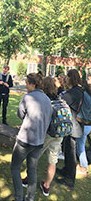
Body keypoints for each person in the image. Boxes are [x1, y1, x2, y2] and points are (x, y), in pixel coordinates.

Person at [11, 73, 52, 201]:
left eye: (27, 83)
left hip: (25, 140)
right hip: (39, 141)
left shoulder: (27, 97)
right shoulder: (47, 99)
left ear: (33, 84)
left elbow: (20, 114)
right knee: (32, 169)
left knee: (15, 167)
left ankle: (19, 197)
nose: (26, 85)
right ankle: (30, 198)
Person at [21, 76, 64, 197]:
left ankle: (28, 179)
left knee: (34, 157)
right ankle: (46, 186)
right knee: (53, 160)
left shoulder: (44, 100)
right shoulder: (59, 99)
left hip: (47, 133)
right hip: (59, 133)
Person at [56, 69, 84, 190]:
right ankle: (66, 171)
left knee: (71, 153)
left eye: (67, 76)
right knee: (67, 150)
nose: (65, 78)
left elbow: (61, 100)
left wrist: (58, 87)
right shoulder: (76, 90)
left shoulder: (76, 91)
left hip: (74, 127)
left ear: (71, 78)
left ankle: (70, 180)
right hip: (70, 125)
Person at [76, 77, 91, 176]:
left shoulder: (84, 94)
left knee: (80, 146)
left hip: (82, 123)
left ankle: (84, 166)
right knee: (80, 143)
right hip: (89, 125)